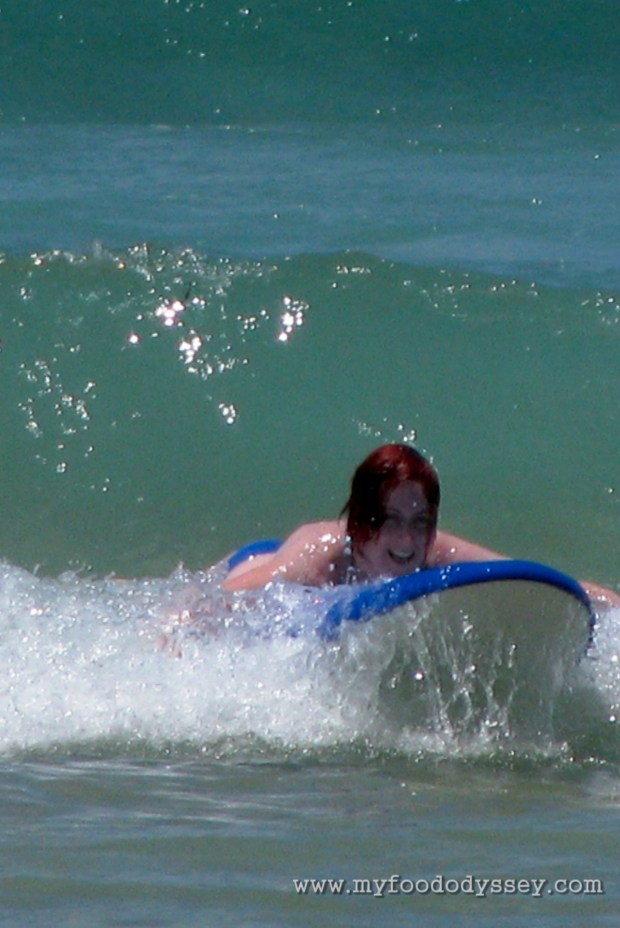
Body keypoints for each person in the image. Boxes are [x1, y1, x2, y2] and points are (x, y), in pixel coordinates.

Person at [223, 443, 620, 607]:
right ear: (361, 522)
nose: (407, 540)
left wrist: (607, 603)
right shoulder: (319, 560)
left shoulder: (433, 550)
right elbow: (221, 597)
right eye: (391, 520)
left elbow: (521, 576)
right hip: (255, 561)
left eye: (420, 522)